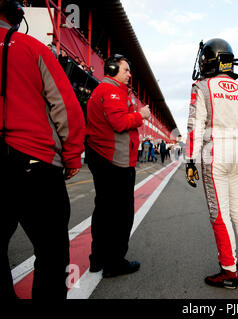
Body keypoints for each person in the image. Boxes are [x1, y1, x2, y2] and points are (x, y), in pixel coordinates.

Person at [0, 0, 85, 299]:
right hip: (32, 162)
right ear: (15, 14)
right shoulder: (32, 48)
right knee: (51, 253)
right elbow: (65, 105)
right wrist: (72, 154)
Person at [185, 38, 238, 289]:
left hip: (214, 153)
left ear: (210, 61)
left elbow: (196, 127)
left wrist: (190, 161)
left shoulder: (202, 87)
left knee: (220, 214)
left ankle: (228, 271)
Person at [85, 54, 150, 278]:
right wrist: (140, 115)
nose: (130, 74)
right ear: (112, 69)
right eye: (126, 70)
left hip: (106, 159)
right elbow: (120, 123)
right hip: (115, 162)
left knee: (103, 211)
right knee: (120, 215)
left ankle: (98, 258)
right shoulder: (111, 91)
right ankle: (114, 263)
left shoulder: (107, 90)